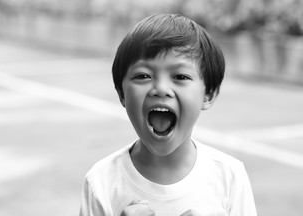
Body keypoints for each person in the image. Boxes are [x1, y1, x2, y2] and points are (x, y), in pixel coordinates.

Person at [79, 14, 257, 216]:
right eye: (143, 76)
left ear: (208, 94)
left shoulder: (229, 176)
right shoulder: (101, 182)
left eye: (180, 76)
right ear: (121, 93)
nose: (161, 89)